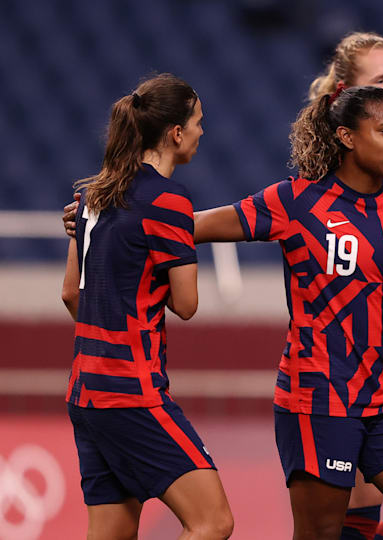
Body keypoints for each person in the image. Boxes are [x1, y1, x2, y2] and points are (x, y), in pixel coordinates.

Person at [192, 85, 383, 539]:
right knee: (320, 533)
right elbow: (192, 227)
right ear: (347, 137)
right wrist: (107, 217)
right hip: (317, 394)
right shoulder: (295, 201)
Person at [60, 74, 234, 539]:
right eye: (197, 122)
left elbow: (71, 295)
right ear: (175, 132)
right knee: (213, 521)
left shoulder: (91, 197)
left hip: (85, 391)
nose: (201, 131)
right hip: (132, 392)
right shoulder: (170, 202)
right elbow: (187, 303)